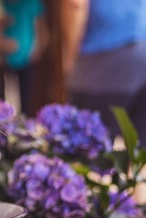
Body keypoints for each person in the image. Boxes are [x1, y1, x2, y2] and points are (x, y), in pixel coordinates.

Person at [62, 0, 146, 146]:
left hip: (104, 58)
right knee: (136, 147)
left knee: (91, 145)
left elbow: (75, 6)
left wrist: (68, 58)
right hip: (140, 47)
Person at [1, 0, 48, 116]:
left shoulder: (32, 3)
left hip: (27, 58)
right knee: (4, 101)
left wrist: (39, 48)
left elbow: (41, 28)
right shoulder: (2, 3)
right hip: (5, 59)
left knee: (27, 99)